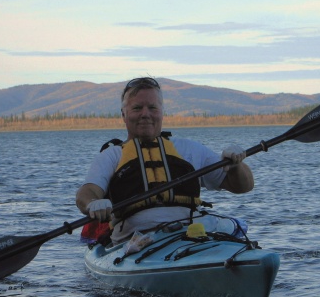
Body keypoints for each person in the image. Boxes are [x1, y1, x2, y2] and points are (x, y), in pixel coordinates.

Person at [76, 77, 254, 244]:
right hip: (133, 241)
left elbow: (243, 186)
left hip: (190, 233)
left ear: (162, 112)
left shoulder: (190, 149)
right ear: (124, 114)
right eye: (137, 108)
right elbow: (87, 191)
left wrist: (237, 165)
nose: (145, 114)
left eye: (152, 108)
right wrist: (93, 203)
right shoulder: (112, 155)